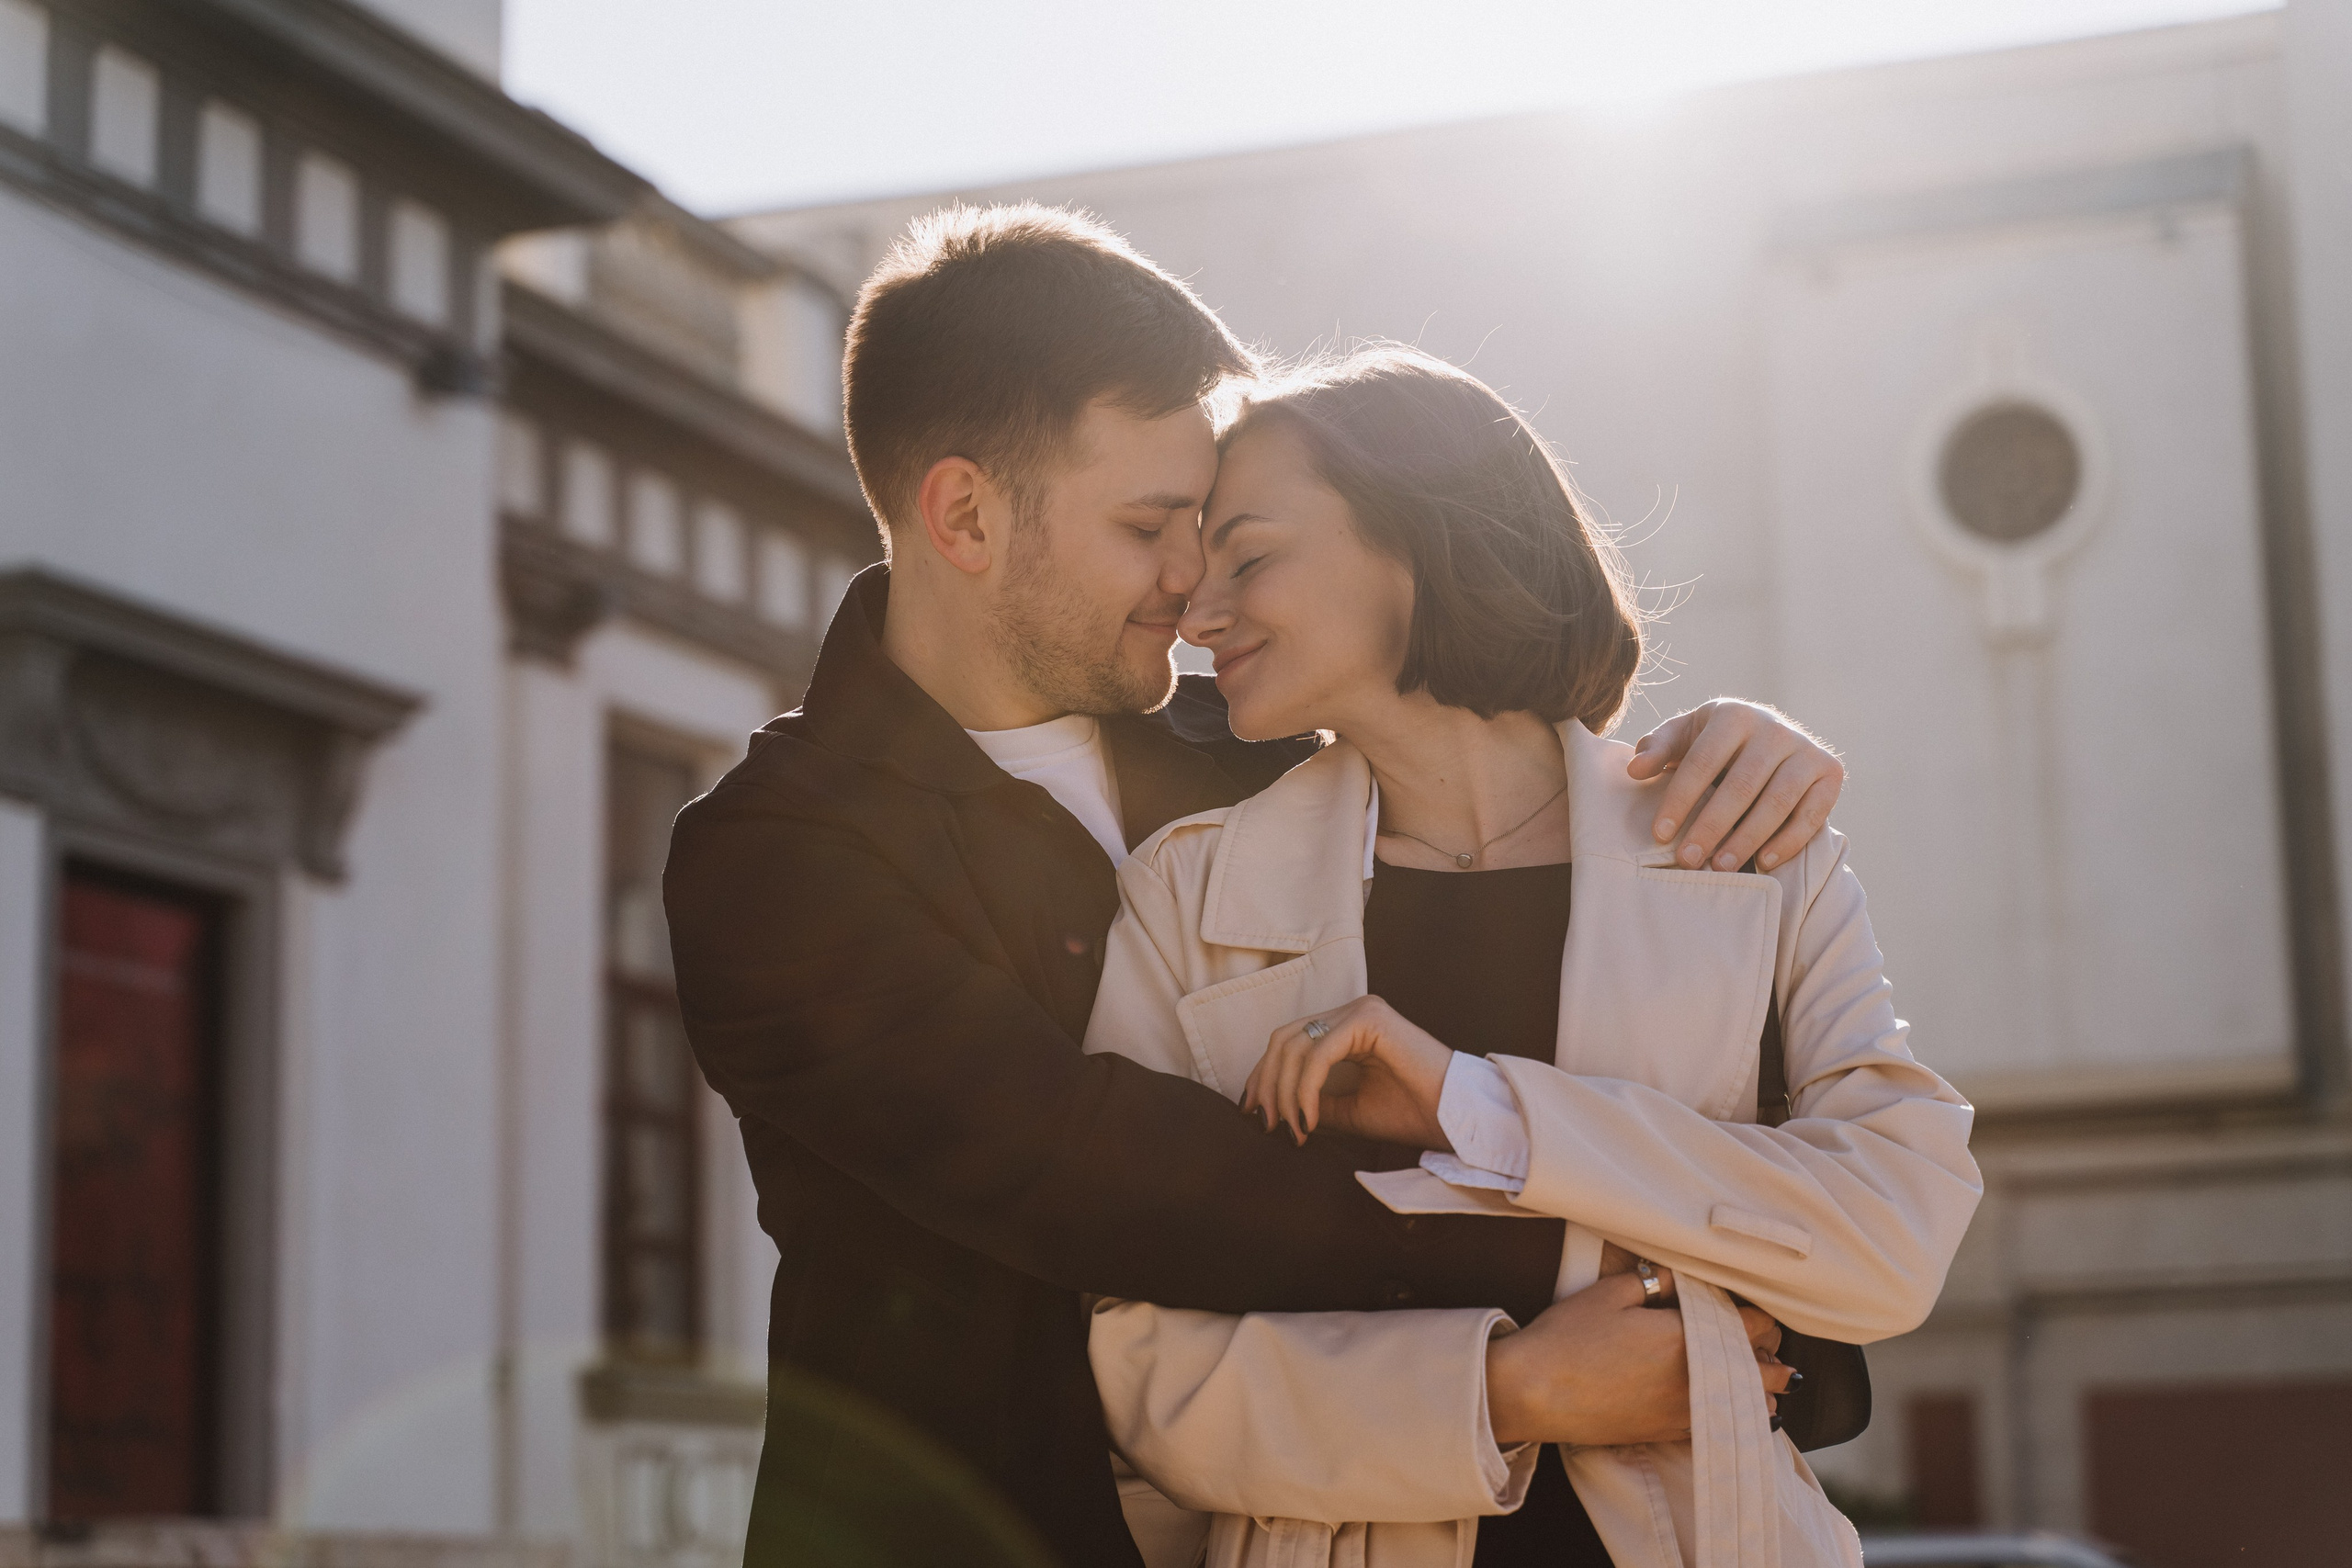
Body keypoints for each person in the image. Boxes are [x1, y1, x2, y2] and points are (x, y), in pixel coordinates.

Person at [663, 205, 1849, 1567]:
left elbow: (1521, 828)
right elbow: (1084, 1166)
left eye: (1220, 533)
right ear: (966, 515)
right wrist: (1566, 1278)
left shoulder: (1271, 765)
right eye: (1151, 526)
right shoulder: (772, 857)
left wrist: (1737, 753)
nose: (1195, 586)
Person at [1080, 346, 1983, 1567]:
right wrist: (1507, 1393)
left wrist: (1476, 1103)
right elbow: (1140, 1372)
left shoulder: (1753, 853)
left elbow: (1893, 1247)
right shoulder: (1186, 893)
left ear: (1422, 538)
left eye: (1249, 554)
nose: (1199, 613)